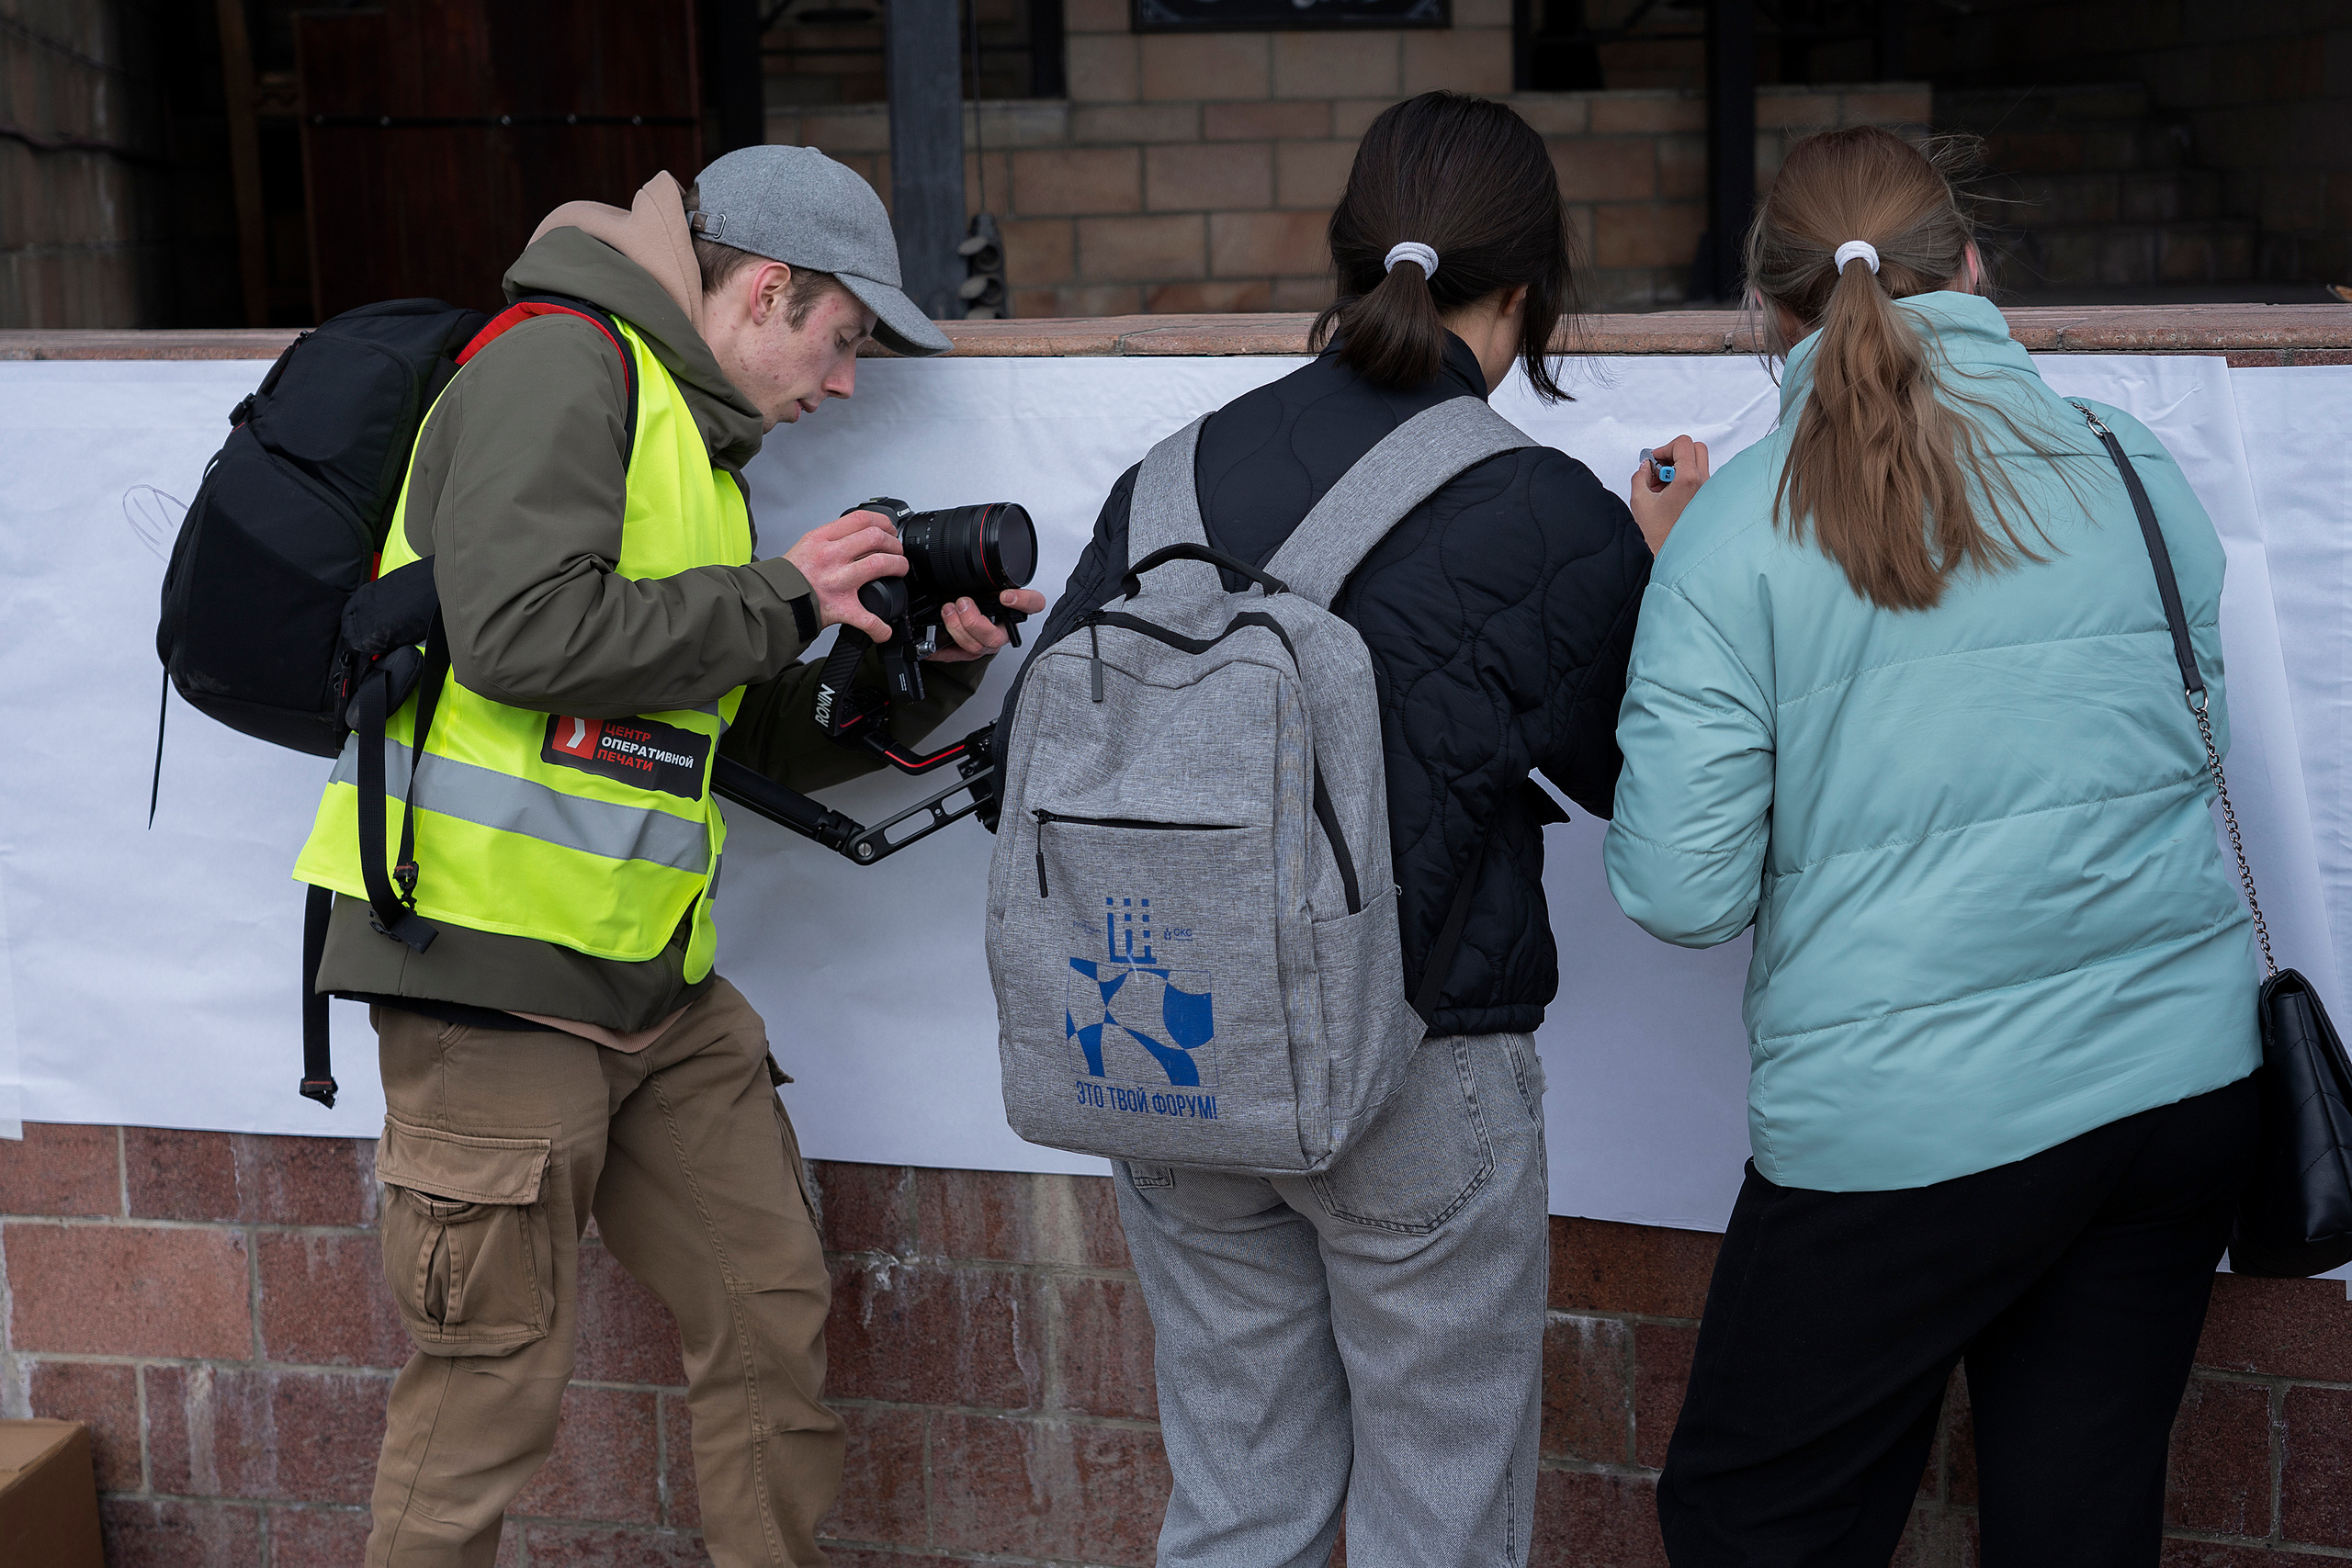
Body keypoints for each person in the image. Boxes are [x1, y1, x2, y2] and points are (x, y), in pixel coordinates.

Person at [290, 147, 1044, 1567]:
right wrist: (776, 591)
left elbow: (724, 726)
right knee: (486, 1401)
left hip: (654, 986)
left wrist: (923, 669)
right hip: (490, 976)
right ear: (768, 289)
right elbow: (521, 638)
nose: (843, 384)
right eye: (842, 342)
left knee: (765, 1314)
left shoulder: (692, 444)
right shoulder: (561, 367)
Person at [999, 91, 1660, 1566]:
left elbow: (1038, 750)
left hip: (1172, 1048)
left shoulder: (1165, 476)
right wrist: (1651, 576)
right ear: (1531, 295)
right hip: (1414, 1072)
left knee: (1238, 1503)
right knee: (1443, 1518)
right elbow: (1637, 780)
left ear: (1347, 259)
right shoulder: (1546, 512)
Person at [1605, 125, 2261, 1566]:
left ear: (1769, 313)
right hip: (2176, 1088)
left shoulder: (1730, 539)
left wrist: (1673, 582)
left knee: (1753, 1523)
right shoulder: (2122, 457)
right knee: (2080, 1526)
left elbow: (1683, 890)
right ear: (1972, 267)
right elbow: (2190, 734)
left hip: (1902, 1129)